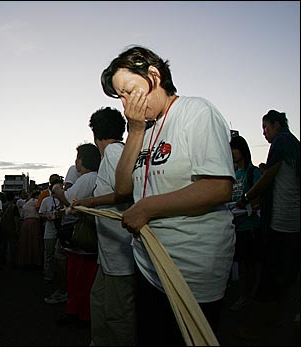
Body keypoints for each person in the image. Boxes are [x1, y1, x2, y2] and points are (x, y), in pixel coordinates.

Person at [102, 45, 235, 345]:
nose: (126, 103)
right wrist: (135, 130)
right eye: (120, 97)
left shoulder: (197, 112)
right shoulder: (144, 130)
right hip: (149, 264)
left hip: (190, 265)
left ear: (153, 75)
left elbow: (218, 186)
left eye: (129, 91)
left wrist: (148, 207)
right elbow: (123, 189)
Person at [71, 107, 136, 345]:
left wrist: (89, 202)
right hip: (108, 254)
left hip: (121, 255)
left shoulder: (114, 154)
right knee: (98, 301)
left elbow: (125, 192)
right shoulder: (118, 153)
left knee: (118, 315)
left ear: (94, 133)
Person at [235, 110, 300, 340]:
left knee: (269, 275)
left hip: (281, 221)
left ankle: (259, 328)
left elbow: (269, 178)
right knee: (287, 274)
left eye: (265, 127)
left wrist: (246, 197)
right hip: (293, 222)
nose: (264, 133)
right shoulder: (294, 143)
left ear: (276, 125)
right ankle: (283, 320)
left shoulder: (281, 141)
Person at [51, 143, 101, 328]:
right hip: (92, 234)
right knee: (86, 279)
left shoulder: (88, 178)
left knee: (79, 278)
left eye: (77, 158)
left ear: (82, 160)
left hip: (84, 237)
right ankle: (83, 313)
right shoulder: (97, 177)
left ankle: (77, 313)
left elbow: (68, 200)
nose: (75, 162)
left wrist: (57, 190)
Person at [228, 135, 261, 312]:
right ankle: (244, 295)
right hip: (234, 226)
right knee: (240, 264)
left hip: (249, 227)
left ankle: (249, 297)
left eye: (235, 149)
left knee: (249, 265)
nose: (232, 153)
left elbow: (258, 197)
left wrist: (248, 201)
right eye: (230, 149)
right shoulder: (232, 175)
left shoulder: (251, 172)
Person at [16, 190, 43, 269]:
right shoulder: (37, 202)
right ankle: (35, 261)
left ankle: (25, 261)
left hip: (25, 223)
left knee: (25, 242)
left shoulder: (26, 203)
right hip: (34, 222)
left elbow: (21, 215)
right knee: (34, 242)